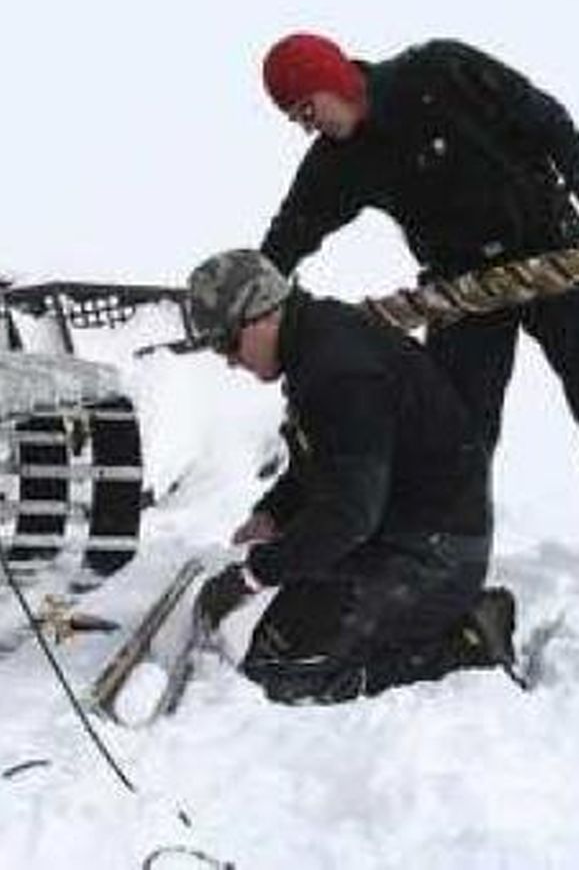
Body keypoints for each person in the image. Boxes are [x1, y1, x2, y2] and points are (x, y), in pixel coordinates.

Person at [256, 32, 579, 600]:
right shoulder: (337, 163)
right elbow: (290, 233)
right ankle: (440, 565)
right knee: (455, 434)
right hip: (462, 292)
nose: (306, 125)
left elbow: (549, 121)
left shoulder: (441, 72)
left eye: (306, 109)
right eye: (295, 119)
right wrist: (252, 299)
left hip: (554, 256)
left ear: (331, 80)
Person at [185, 248, 516, 704]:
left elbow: (349, 514)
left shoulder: (339, 372)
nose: (228, 360)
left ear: (261, 315)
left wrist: (255, 575)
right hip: (401, 529)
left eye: (226, 342)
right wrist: (274, 514)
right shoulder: (319, 341)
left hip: (434, 554)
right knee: (279, 630)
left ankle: (467, 643)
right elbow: (326, 461)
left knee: (282, 671)